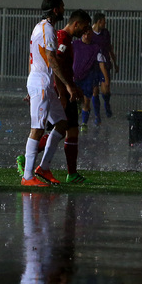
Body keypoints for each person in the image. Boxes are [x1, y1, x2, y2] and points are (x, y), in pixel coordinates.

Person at [21, 0, 81, 188]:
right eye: (62, 7)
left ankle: (44, 168)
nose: (64, 9)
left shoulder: (40, 27)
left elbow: (36, 58)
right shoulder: (47, 28)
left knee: (62, 123)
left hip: (42, 83)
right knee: (37, 129)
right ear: (55, 10)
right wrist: (68, 85)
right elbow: (51, 59)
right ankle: (28, 176)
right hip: (41, 83)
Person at [52, 9, 92, 183]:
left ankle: (72, 173)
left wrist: (74, 87)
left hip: (68, 91)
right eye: (84, 27)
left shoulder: (67, 40)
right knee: (60, 131)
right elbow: (56, 67)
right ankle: (28, 158)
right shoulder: (61, 38)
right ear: (76, 23)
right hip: (61, 92)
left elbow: (65, 69)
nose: (85, 31)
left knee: (71, 131)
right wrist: (62, 91)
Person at [72, 29, 108, 131]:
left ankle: (84, 123)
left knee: (86, 100)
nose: (86, 36)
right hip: (75, 76)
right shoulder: (74, 44)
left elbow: (101, 63)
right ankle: (74, 117)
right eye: (84, 33)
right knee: (73, 98)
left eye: (88, 34)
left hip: (88, 77)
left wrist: (105, 79)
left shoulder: (96, 48)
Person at [90, 12, 117, 118]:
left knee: (105, 87)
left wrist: (115, 62)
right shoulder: (89, 33)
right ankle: (97, 116)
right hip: (93, 66)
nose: (105, 24)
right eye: (104, 22)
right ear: (99, 22)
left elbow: (110, 48)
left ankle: (107, 104)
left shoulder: (105, 33)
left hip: (105, 64)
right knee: (95, 90)